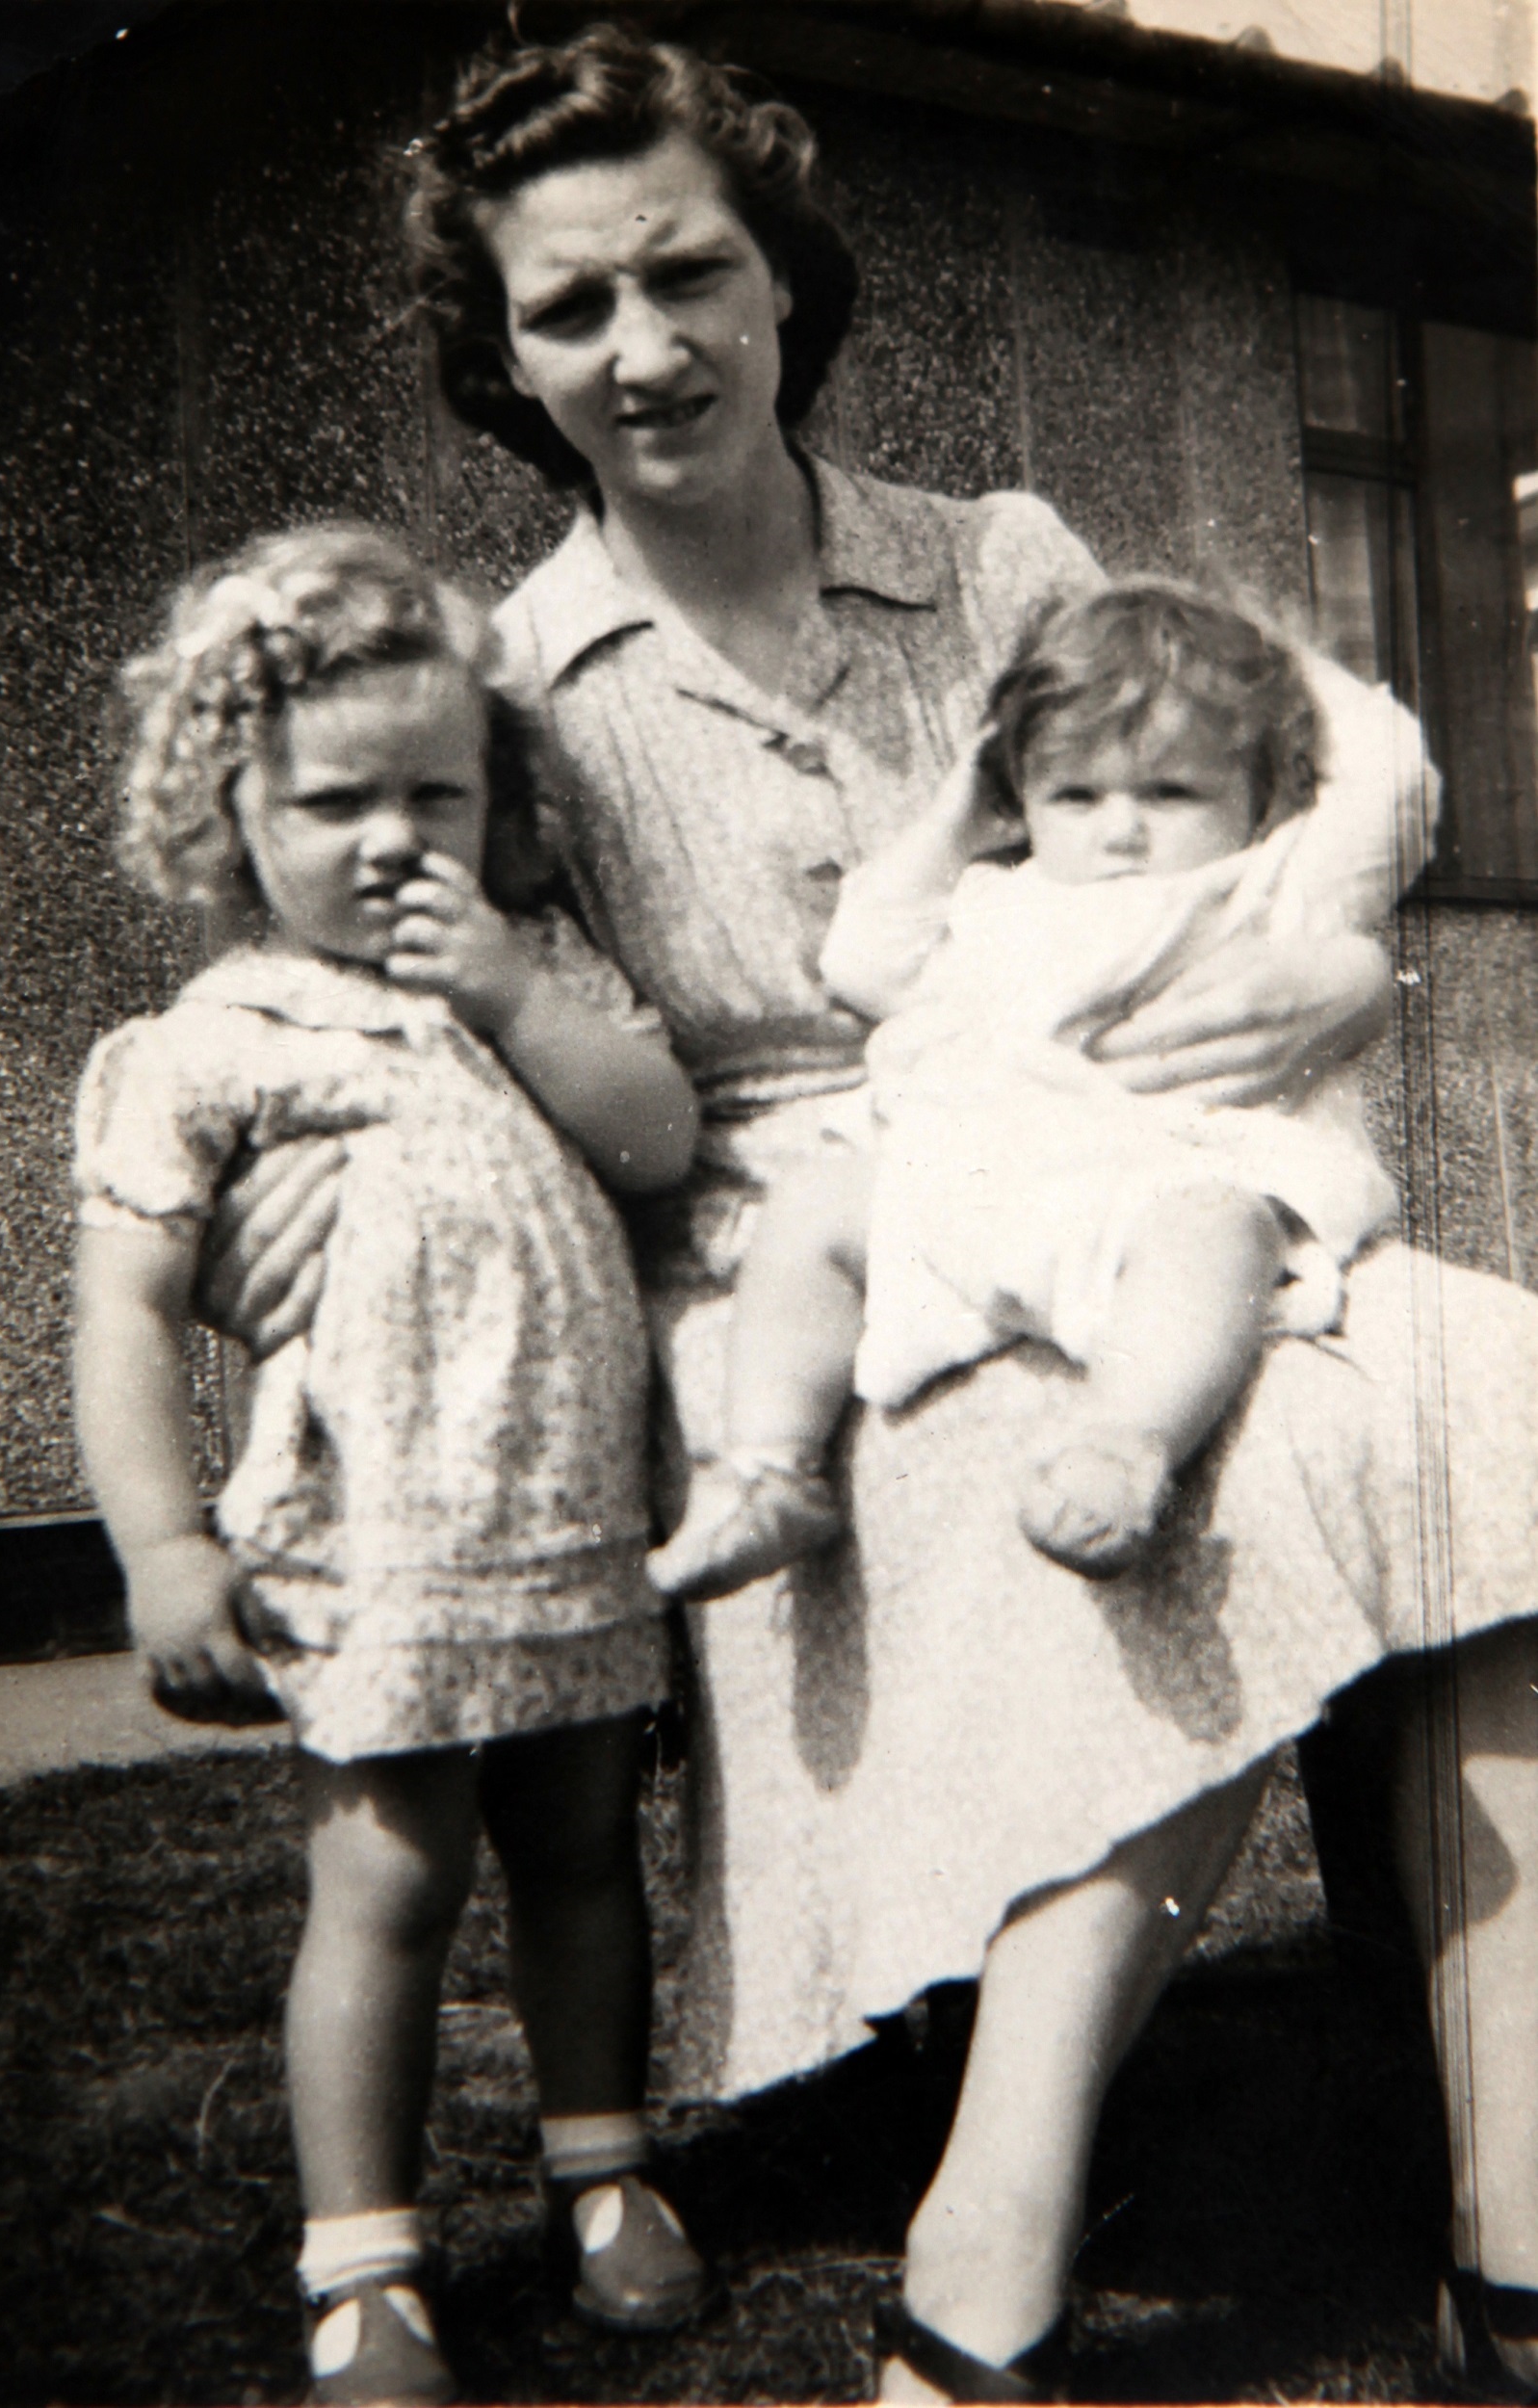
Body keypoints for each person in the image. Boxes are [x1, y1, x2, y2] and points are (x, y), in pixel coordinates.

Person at [203, 26, 1538, 2401]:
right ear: (498, 355)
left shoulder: (1002, 557)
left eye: (690, 273)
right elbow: (582, 1104)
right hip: (794, 1275)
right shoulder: (516, 685)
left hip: (1126, 1157)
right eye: (568, 309)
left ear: (785, 280)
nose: (647, 348)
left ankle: (1515, 2214)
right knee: (1239, 1467)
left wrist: (1337, 941)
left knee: (1486, 1383)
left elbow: (1308, 754)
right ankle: (989, 2236)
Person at [70, 524, 711, 2408]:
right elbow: (123, 1307)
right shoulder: (216, 1038)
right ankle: (366, 2258)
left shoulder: (539, 971)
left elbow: (658, 1137)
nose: (391, 837)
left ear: (497, 799)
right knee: (392, 1877)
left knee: (586, 1855)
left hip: (569, 1518)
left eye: (435, 790)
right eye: (332, 799)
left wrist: (519, 992)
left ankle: (603, 2165)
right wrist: (163, 1544)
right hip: (373, 1535)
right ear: (232, 818)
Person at [650, 582, 1427, 1599]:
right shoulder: (995, 895)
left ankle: (1124, 1442)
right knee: (811, 1205)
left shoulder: (1268, 884)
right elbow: (862, 957)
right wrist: (964, 806)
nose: (1121, 831)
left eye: (1170, 793)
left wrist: (1265, 650)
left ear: (1260, 793)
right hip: (979, 1191)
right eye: (1077, 794)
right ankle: (765, 1466)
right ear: (1022, 793)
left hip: (1161, 1186)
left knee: (1217, 1228)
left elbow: (1393, 775)